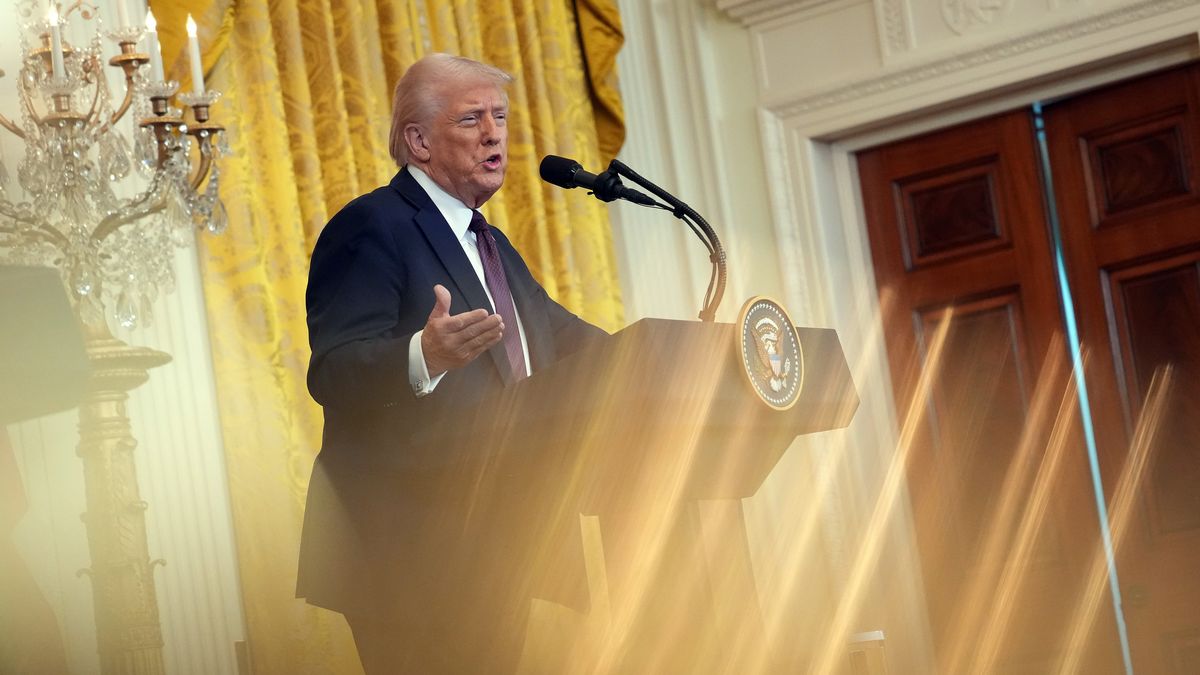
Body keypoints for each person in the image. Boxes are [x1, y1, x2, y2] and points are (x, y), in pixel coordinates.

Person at [296, 53, 606, 674]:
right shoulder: (372, 226)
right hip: (409, 550)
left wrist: (680, 355)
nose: (495, 133)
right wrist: (423, 355)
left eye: (500, 117)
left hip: (499, 542)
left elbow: (565, 338)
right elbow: (332, 372)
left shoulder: (490, 245)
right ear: (418, 141)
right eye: (471, 119)